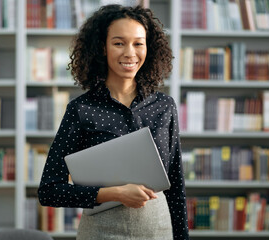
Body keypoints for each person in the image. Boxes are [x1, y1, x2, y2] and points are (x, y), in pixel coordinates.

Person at [38, 4, 189, 240]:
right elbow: (49, 191)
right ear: (103, 48)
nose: (130, 53)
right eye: (119, 43)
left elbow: (176, 187)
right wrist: (113, 193)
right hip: (101, 231)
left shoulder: (164, 106)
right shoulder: (81, 109)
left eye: (138, 43)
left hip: (157, 230)